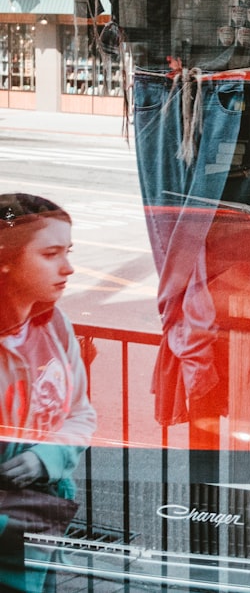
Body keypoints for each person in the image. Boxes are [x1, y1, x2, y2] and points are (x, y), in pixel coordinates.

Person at [0, 193, 97, 593]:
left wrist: (47, 458)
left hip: (41, 526)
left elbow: (81, 414)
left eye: (68, 251)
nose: (68, 268)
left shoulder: (55, 324)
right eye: (51, 253)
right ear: (5, 260)